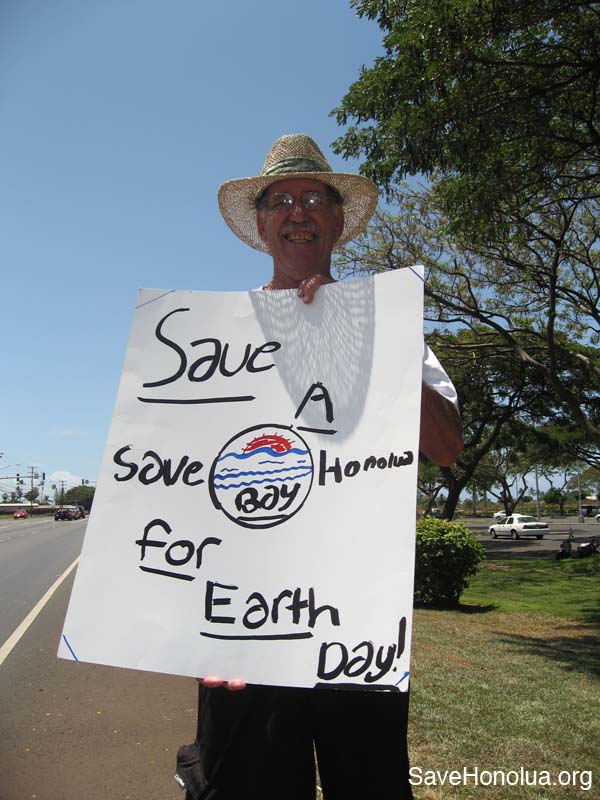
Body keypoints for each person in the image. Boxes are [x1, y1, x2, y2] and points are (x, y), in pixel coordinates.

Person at [176, 134, 463, 800]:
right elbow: (181, 490)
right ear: (261, 224)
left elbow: (446, 445)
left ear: (336, 221)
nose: (297, 211)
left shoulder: (388, 326)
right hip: (244, 633)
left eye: (312, 198)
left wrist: (359, 333)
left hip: (355, 627)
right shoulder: (213, 339)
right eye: (281, 200)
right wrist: (194, 631)